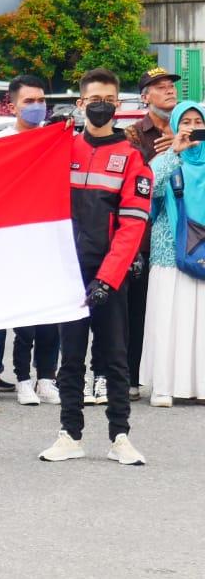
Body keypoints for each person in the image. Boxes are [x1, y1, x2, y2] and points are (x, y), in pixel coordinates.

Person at [41, 68, 150, 466]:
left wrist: (108, 278)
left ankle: (120, 437)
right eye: (93, 100)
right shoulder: (61, 149)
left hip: (110, 275)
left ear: (118, 105)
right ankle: (69, 434)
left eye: (108, 100)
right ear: (80, 103)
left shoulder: (133, 158)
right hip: (69, 273)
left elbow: (132, 226)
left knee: (114, 358)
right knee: (70, 358)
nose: (100, 106)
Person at [0, 75, 62, 407]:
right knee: (24, 321)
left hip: (50, 236)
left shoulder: (56, 138)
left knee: (52, 315)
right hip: (15, 238)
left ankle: (46, 378)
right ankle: (22, 379)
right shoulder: (0, 142)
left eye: (41, 100)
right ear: (13, 106)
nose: (36, 107)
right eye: (28, 101)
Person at [140, 100, 205, 407]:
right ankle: (164, 386)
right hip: (170, 254)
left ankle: (200, 386)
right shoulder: (166, 160)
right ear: (176, 127)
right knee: (168, 318)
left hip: (202, 253)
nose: (193, 128)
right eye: (186, 122)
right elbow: (149, 191)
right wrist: (173, 153)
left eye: (198, 122)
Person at [124, 66, 179, 399]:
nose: (169, 90)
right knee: (139, 309)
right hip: (145, 236)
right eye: (160, 87)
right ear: (145, 97)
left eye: (171, 85)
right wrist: (167, 154)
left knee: (179, 311)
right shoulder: (133, 134)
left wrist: (184, 142)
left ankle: (178, 378)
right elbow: (135, 181)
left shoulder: (190, 126)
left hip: (183, 232)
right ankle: (131, 376)